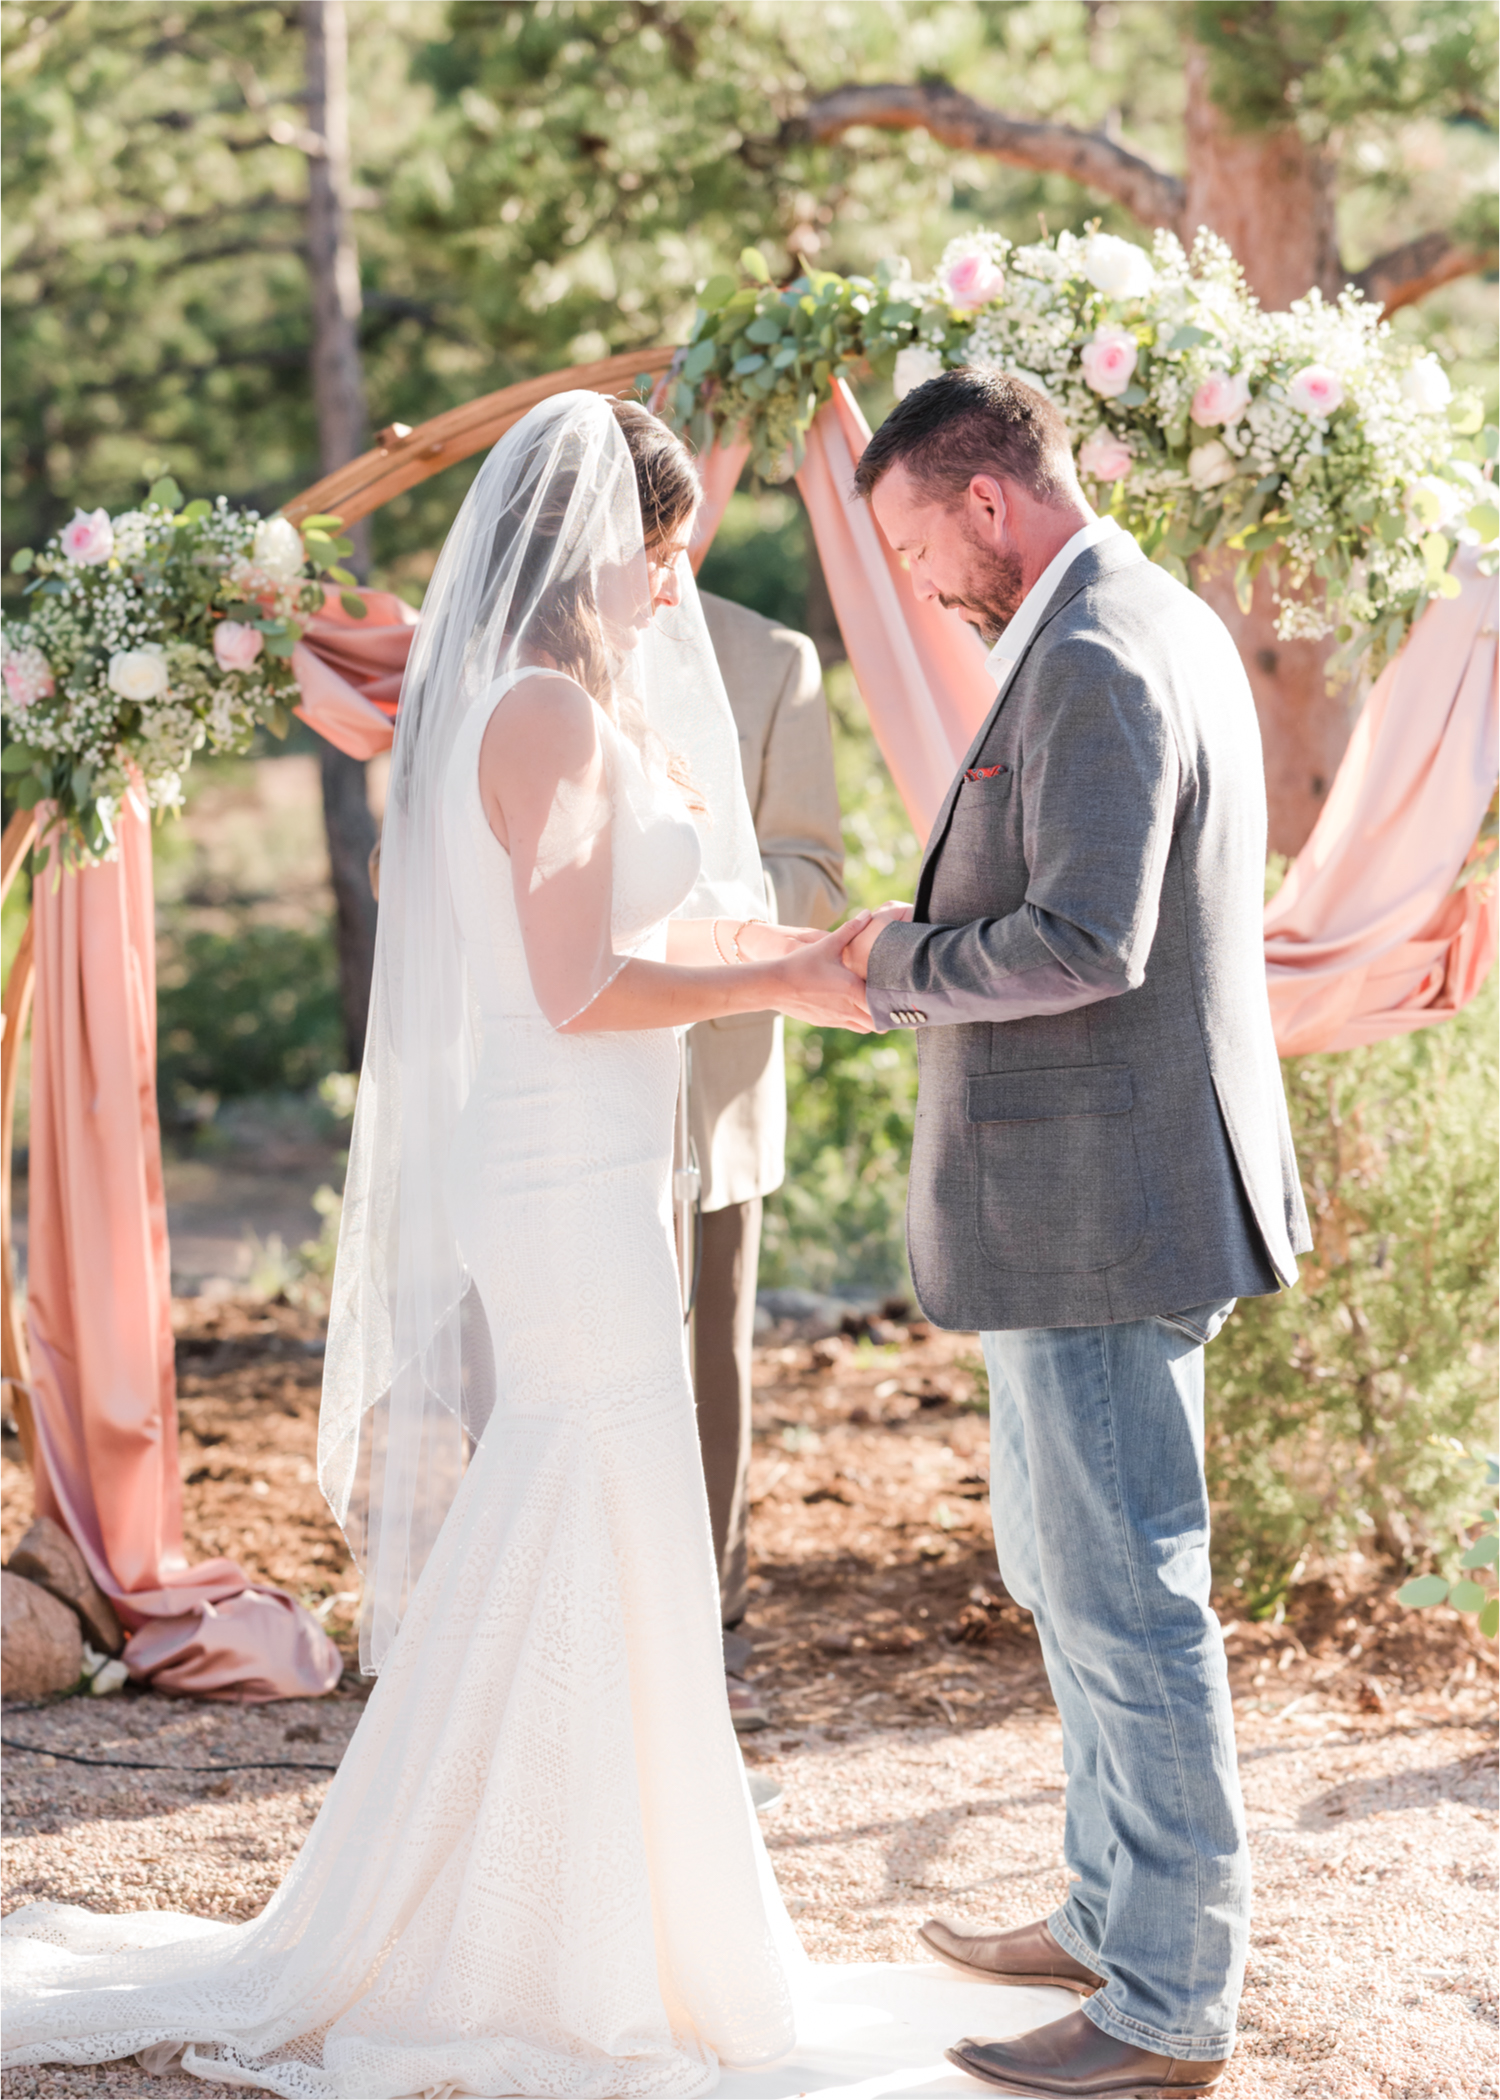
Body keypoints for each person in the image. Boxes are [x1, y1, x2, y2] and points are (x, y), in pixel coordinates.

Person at [0, 393, 875, 2097]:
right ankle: (526, 1922)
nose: (676, 580)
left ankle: (587, 1898)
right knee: (592, 1488)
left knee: (597, 1500)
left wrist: (809, 953)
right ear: (596, 545)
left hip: (602, 1157)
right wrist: (774, 979)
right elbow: (574, 988)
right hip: (554, 1172)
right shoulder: (538, 714)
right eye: (665, 546)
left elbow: (640, 921)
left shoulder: (583, 704)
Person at [841, 366, 1311, 2098]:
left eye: (912, 545)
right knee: (1073, 1574)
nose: (918, 582)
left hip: (1105, 1211)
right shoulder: (1132, 612)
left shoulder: (1100, 649)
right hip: (1099, 1198)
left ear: (986, 501)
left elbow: (1087, 942)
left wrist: (893, 965)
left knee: (1129, 1604)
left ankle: (1166, 2008)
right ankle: (1115, 1911)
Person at [691, 588, 846, 1726]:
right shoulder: (508, 631)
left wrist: (678, 893)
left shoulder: (769, 658)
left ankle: (705, 1625)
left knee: (705, 1361)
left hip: (710, 1082)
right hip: (544, 1091)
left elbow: (817, 881)